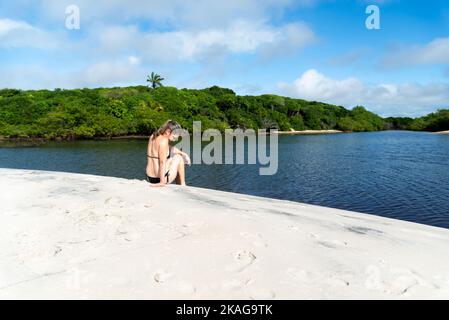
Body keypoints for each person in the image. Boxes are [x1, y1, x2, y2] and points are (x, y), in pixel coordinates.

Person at [146, 120, 190, 187]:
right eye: (175, 136)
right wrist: (162, 182)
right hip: (158, 179)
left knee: (177, 156)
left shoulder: (153, 136)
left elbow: (169, 147)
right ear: (168, 131)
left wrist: (183, 153)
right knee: (179, 158)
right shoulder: (164, 141)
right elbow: (162, 162)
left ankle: (181, 185)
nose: (176, 139)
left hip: (149, 177)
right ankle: (183, 185)